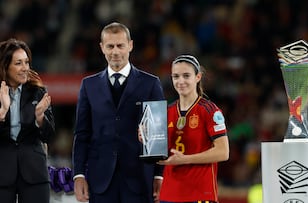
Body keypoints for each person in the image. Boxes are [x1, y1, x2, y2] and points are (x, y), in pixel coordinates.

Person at [72, 22, 165, 203]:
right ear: (102, 48)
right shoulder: (88, 85)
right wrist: (79, 175)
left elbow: (159, 135)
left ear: (130, 45)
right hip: (100, 181)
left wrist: (158, 176)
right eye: (110, 46)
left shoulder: (150, 84)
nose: (115, 51)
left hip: (140, 180)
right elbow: (82, 134)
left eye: (120, 45)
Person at [158, 55, 229, 203]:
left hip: (199, 193)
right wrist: (146, 139)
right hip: (169, 193)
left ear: (198, 77)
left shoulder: (210, 110)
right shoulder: (166, 111)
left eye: (186, 76)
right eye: (176, 76)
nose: (180, 81)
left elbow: (223, 152)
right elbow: (160, 154)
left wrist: (185, 159)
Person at [0, 38, 55, 203]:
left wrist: (39, 117)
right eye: (18, 63)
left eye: (27, 62)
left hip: (34, 172)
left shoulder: (38, 92)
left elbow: (49, 136)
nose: (25, 68)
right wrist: (2, 112)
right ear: (5, 66)